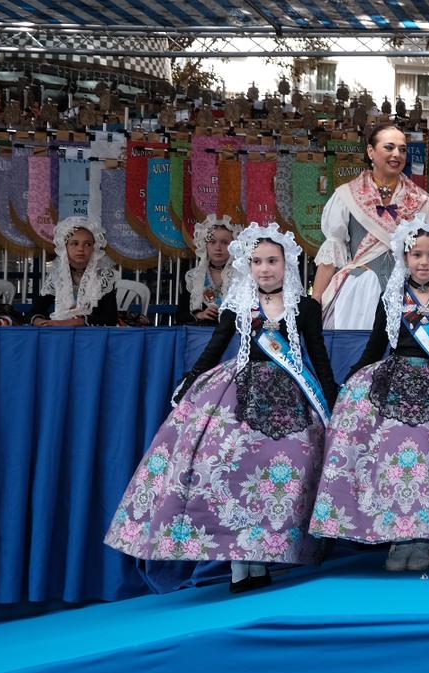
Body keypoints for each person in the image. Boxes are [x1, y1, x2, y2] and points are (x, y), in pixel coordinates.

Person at [105, 224, 339, 592]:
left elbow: (319, 357)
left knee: (278, 476)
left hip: (291, 397)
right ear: (248, 265)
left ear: (287, 263)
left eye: (273, 261)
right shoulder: (237, 304)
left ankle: (262, 556)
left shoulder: (306, 307)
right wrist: (192, 379)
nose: (265, 268)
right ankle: (238, 565)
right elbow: (215, 348)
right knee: (235, 473)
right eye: (257, 261)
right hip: (238, 394)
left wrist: (331, 396)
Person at [312, 217, 429, 571]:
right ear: (405, 257)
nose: (424, 262)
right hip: (395, 385)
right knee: (399, 462)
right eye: (417, 255)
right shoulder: (392, 297)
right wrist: (350, 382)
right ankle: (401, 537)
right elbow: (374, 348)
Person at [313, 123, 429, 328]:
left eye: (402, 149)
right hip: (359, 294)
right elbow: (331, 254)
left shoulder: (421, 202)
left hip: (407, 295)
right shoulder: (348, 195)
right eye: (389, 147)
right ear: (371, 151)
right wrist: (316, 301)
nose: (396, 154)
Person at [30, 216, 119, 326]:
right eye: (74, 243)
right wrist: (38, 321)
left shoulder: (103, 276)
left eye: (87, 244)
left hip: (93, 337)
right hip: (61, 335)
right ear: (64, 247)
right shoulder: (58, 276)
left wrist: (75, 322)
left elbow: (110, 318)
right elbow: (36, 311)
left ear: (94, 248)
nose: (81, 249)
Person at [180, 215, 241, 325]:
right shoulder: (194, 277)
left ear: (234, 246)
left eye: (224, 242)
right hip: (201, 335)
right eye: (212, 242)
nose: (218, 247)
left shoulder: (241, 277)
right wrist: (199, 315)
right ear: (205, 245)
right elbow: (180, 315)